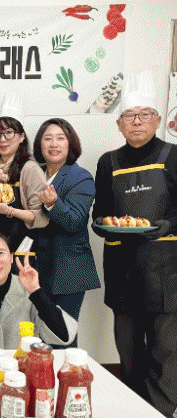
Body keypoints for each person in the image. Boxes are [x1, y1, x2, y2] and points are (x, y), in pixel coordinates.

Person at [90, 70, 177, 414]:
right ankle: (133, 409)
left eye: (144, 114)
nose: (137, 121)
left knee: (166, 352)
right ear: (119, 124)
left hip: (166, 273)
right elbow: (101, 213)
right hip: (122, 272)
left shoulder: (173, 156)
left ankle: (160, 412)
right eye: (129, 115)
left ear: (158, 120)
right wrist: (102, 226)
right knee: (128, 351)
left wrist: (167, 225)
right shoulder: (108, 162)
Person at [32, 118, 100, 348]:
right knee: (37, 337)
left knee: (63, 336)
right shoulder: (35, 173)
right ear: (39, 144)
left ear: (70, 144)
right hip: (37, 269)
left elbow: (75, 221)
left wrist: (53, 204)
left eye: (60, 138)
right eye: (48, 138)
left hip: (67, 271)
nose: (54, 144)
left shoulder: (81, 177)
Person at [0, 226, 77, 350]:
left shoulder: (28, 289)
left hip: (24, 362)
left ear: (11, 257)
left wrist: (35, 291)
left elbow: (64, 336)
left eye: (1, 253)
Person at [0, 92, 48, 264]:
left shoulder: (30, 169)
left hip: (23, 251)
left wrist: (9, 211)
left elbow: (41, 216)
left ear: (22, 137)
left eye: (9, 132)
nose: (2, 139)